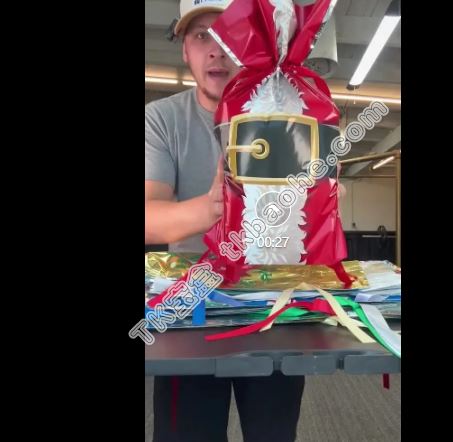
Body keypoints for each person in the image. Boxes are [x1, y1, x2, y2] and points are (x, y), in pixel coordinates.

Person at [145, 1, 305, 441]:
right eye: (201, 36)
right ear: (185, 50)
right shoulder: (162, 119)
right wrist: (217, 207)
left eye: (229, 35)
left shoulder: (287, 115)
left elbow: (313, 206)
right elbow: (149, 217)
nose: (215, 49)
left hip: (271, 300)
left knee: (273, 433)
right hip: (190, 304)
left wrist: (321, 197)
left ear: (251, 45)